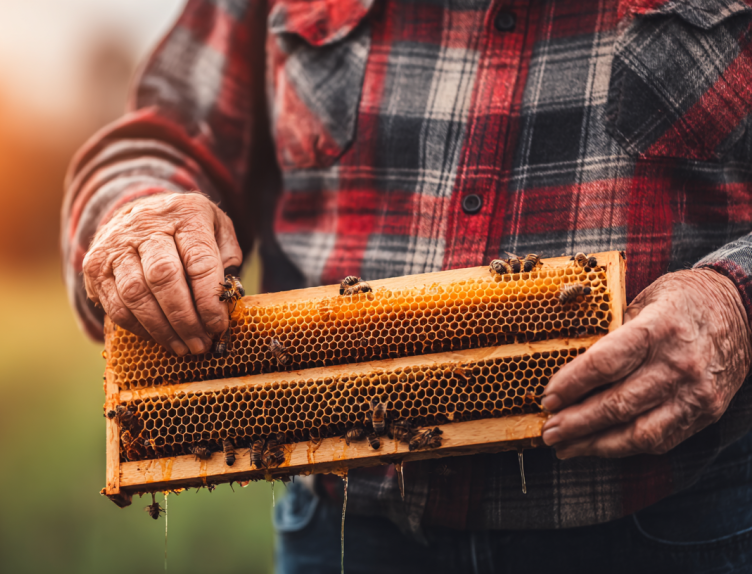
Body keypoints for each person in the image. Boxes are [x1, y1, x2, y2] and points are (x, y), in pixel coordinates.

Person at [62, 0, 752, 571]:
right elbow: (164, 137)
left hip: (676, 523)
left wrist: (736, 301)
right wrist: (141, 214)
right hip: (342, 533)